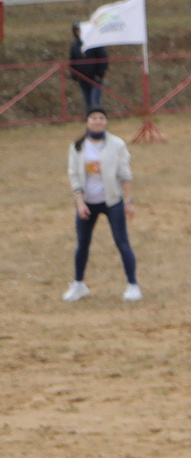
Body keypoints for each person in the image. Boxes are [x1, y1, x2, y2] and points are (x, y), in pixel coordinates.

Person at [64, 109, 140, 304]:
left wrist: (128, 201)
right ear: (87, 121)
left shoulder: (116, 144)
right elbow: (74, 176)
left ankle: (132, 284)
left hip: (112, 201)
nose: (97, 121)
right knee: (82, 243)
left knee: (121, 241)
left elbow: (125, 173)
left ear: (106, 121)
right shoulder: (78, 146)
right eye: (93, 118)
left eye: (101, 118)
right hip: (88, 202)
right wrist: (80, 203)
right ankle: (79, 284)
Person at [67, 27, 109, 115]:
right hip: (82, 79)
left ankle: (98, 118)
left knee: (95, 101)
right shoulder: (75, 46)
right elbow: (72, 62)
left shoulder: (95, 43)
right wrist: (75, 75)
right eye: (76, 30)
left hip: (95, 78)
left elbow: (103, 59)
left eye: (80, 30)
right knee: (87, 102)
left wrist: (99, 74)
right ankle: (90, 120)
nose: (79, 32)